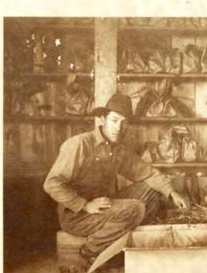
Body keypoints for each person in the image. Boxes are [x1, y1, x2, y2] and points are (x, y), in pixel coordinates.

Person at [44, 93, 189, 261]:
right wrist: (85, 205)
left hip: (104, 206)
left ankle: (120, 241)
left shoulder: (119, 149)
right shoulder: (80, 144)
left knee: (151, 190)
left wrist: (172, 193)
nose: (118, 127)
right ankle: (91, 249)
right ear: (103, 119)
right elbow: (52, 183)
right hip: (77, 217)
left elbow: (147, 172)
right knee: (135, 208)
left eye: (124, 122)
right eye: (114, 120)